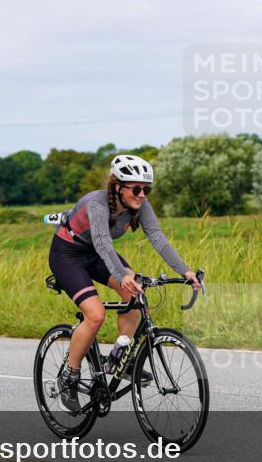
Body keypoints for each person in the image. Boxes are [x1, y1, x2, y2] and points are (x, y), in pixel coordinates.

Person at [49, 154, 202, 412]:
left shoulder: (140, 206)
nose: (142, 194)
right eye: (137, 188)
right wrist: (123, 276)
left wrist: (185, 271)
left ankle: (120, 358)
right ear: (117, 186)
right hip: (68, 255)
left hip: (96, 254)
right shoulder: (97, 204)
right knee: (95, 315)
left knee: (136, 293)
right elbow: (103, 244)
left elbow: (157, 238)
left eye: (146, 189)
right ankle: (70, 376)